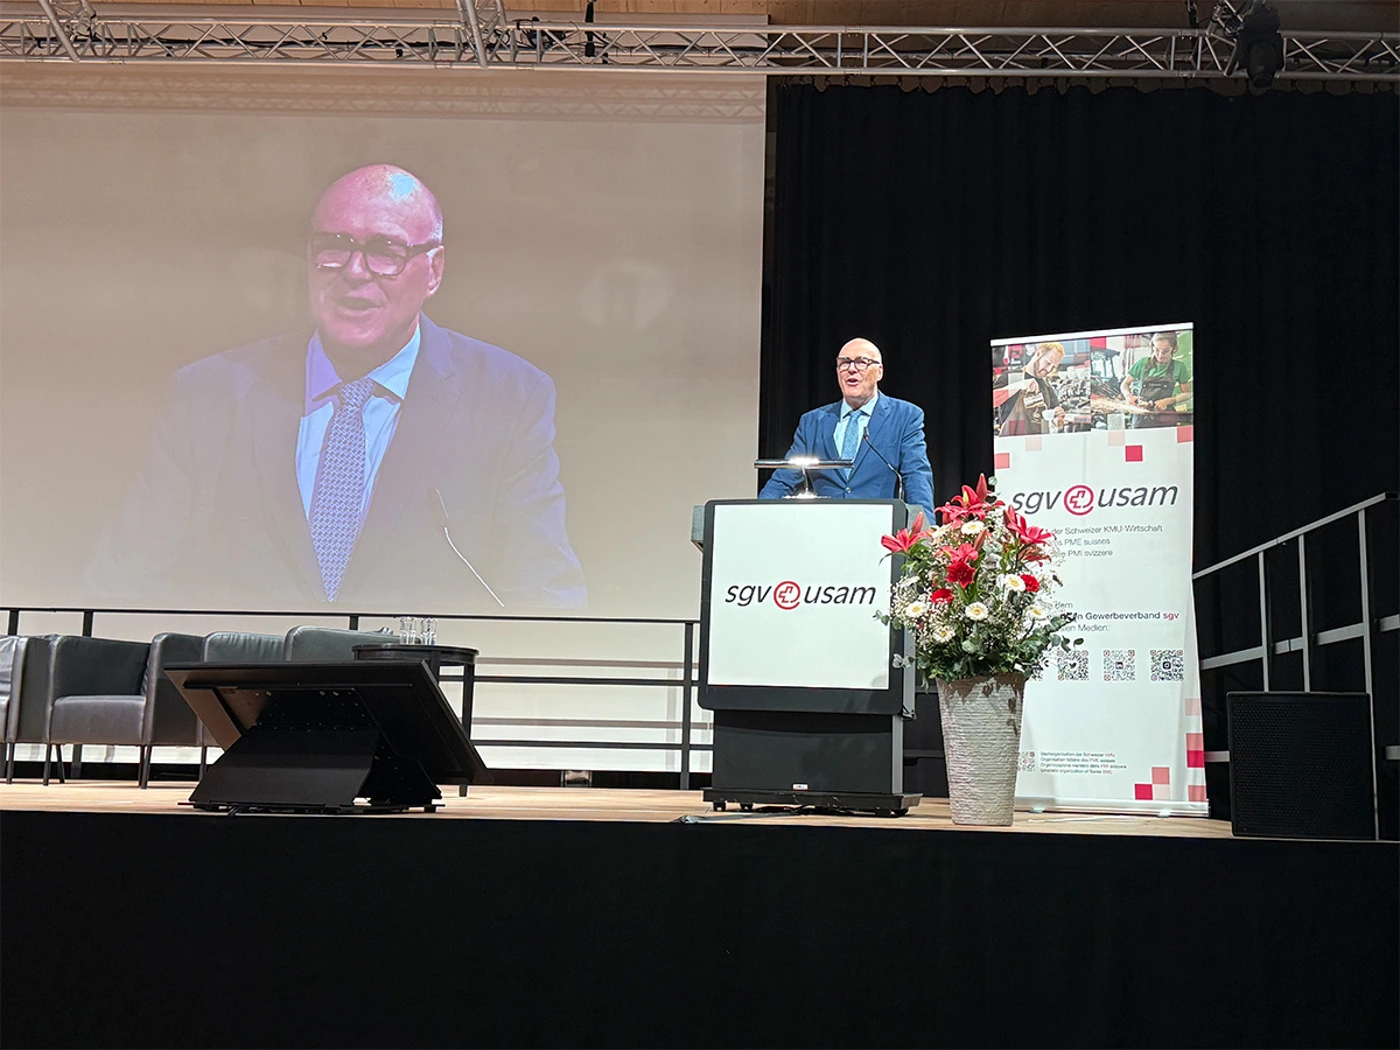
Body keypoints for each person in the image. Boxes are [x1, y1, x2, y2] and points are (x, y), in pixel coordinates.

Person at [86, 164, 586, 610]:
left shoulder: (507, 398)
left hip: (416, 703)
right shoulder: (209, 397)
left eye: (384, 251)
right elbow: (121, 588)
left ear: (433, 271)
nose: (354, 272)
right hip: (239, 701)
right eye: (334, 248)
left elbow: (543, 595)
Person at [758, 338, 935, 517]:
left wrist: (926, 533)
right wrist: (756, 516)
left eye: (861, 362)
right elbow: (784, 478)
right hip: (824, 528)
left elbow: (916, 476)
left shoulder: (904, 416)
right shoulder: (813, 422)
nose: (851, 368)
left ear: (879, 372)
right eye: (844, 363)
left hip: (879, 530)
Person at [1121, 331, 1192, 428]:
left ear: (1174, 349)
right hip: (1142, 418)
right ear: (1152, 347)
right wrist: (1128, 396)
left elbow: (1187, 394)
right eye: (1157, 350)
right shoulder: (1142, 363)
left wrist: (1168, 401)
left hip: (1166, 418)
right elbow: (1124, 385)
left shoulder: (1179, 367)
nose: (1160, 355)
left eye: (1165, 351)